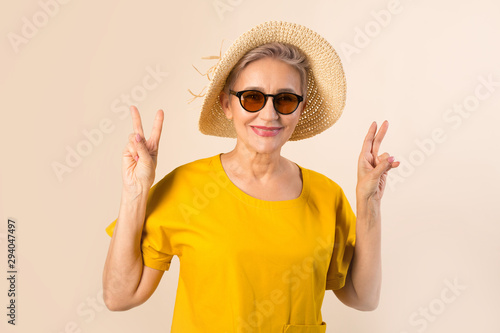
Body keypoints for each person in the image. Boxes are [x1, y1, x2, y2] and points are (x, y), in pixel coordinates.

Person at [102, 21, 400, 332]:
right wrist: (135, 191)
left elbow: (363, 298)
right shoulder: (187, 188)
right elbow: (119, 297)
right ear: (226, 103)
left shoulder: (327, 196)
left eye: (284, 100)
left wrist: (369, 205)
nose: (269, 114)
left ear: (300, 108)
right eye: (253, 98)